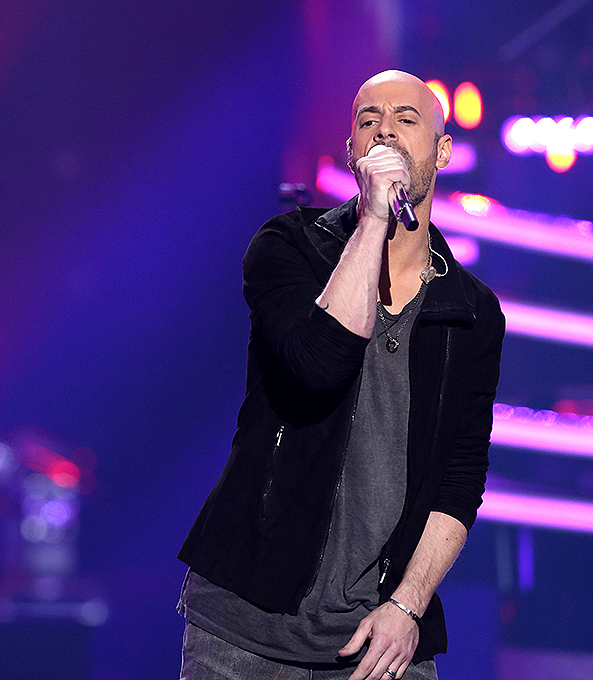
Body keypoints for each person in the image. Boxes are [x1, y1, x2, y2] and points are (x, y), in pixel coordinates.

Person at [177, 70, 505, 680]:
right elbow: (318, 365)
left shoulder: (471, 311)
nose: (385, 129)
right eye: (368, 119)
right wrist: (374, 221)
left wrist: (408, 604)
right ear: (353, 151)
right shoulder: (288, 248)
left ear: (442, 150)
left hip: (382, 639)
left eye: (407, 119)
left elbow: (460, 478)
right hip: (244, 633)